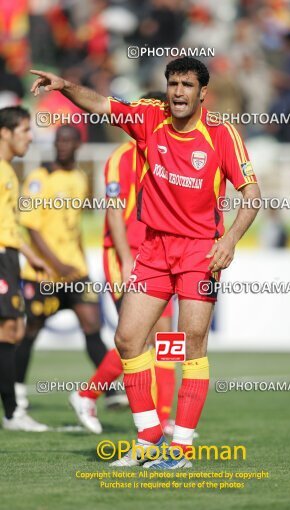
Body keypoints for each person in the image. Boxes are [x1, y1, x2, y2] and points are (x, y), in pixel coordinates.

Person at [31, 56, 261, 469]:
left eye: (187, 86)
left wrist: (230, 239)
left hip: (199, 252)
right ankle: (149, 437)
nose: (177, 93)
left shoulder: (221, 134)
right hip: (153, 250)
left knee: (191, 345)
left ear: (202, 93)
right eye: (173, 84)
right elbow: (101, 104)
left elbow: (252, 195)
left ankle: (182, 449)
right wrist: (64, 84)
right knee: (127, 339)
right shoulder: (150, 116)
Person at [70, 92, 177, 436]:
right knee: (139, 334)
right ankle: (87, 394)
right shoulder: (121, 157)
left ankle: (164, 417)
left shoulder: (167, 154)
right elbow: (115, 212)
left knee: (165, 336)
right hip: (126, 257)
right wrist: (127, 259)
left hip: (157, 255)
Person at [15, 125, 108, 409]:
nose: (62, 145)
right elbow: (32, 228)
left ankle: (110, 387)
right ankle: (17, 390)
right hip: (44, 273)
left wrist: (80, 263)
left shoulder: (80, 178)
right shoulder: (39, 178)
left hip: (75, 271)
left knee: (92, 324)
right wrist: (57, 265)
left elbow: (75, 228)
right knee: (30, 331)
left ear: (79, 145)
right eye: (59, 141)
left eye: (68, 141)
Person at [0, 106, 50, 431]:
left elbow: (11, 224)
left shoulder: (8, 171)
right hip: (2, 255)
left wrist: (29, 254)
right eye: (24, 131)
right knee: (10, 329)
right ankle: (12, 414)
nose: (31, 137)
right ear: (5, 132)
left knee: (13, 330)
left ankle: (12, 411)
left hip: (10, 256)